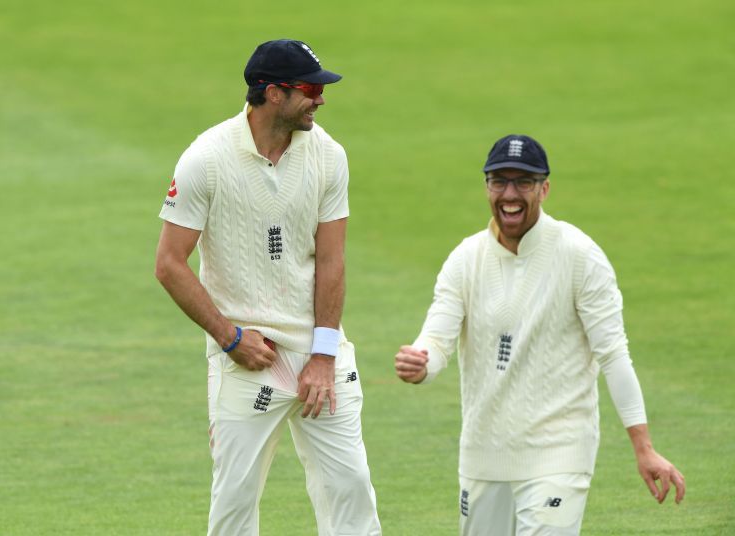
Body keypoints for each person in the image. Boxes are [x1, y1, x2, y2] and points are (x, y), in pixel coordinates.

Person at [394, 134, 685, 535]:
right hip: (483, 456)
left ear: (544, 189)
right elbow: (437, 338)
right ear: (486, 187)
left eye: (523, 182)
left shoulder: (580, 255)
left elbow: (614, 355)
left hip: (558, 454)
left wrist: (644, 447)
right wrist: (421, 361)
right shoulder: (466, 258)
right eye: (499, 181)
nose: (510, 194)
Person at [155, 39, 381, 535]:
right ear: (273, 94)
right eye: (309, 89)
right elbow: (170, 263)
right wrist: (229, 337)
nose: (320, 99)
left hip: (320, 354)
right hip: (247, 359)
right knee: (235, 502)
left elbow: (331, 259)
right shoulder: (205, 159)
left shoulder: (329, 155)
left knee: (351, 488)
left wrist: (324, 355)